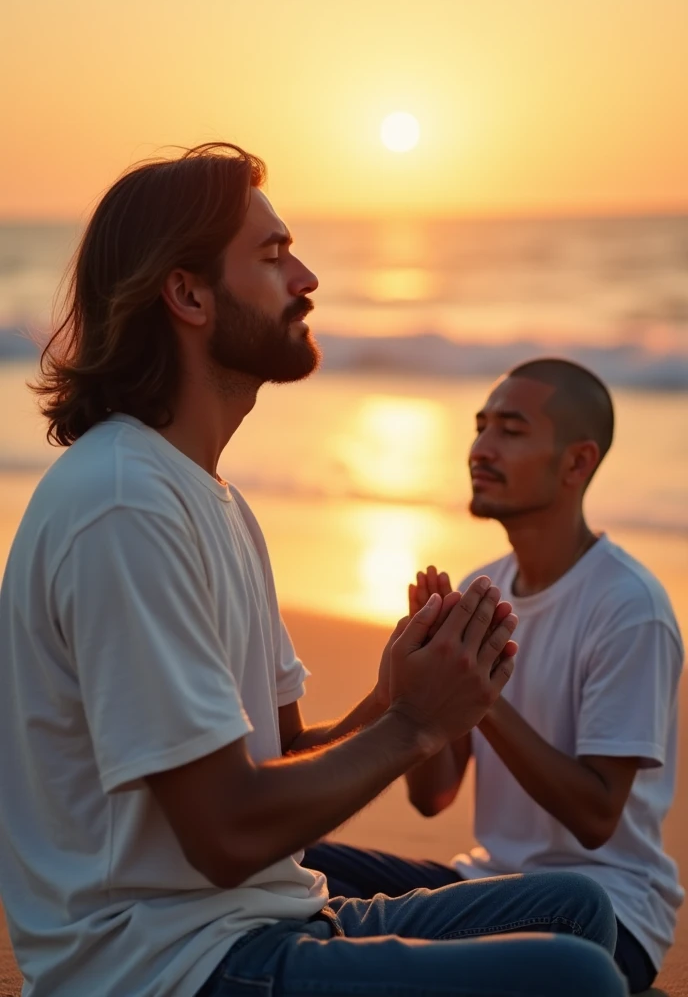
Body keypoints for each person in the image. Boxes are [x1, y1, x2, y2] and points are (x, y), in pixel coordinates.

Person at [0, 145, 628, 997]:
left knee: (579, 911)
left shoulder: (211, 497)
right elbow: (225, 832)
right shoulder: (125, 506)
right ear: (186, 294)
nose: (307, 276)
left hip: (266, 916)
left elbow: (285, 757)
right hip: (172, 966)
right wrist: (411, 727)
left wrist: (393, 700)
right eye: (272, 255)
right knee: (576, 977)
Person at [303, 358, 684, 993]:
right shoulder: (488, 585)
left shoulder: (629, 607)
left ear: (576, 462)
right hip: (484, 885)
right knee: (289, 861)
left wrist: (480, 695)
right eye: (480, 427)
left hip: (606, 915)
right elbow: (433, 798)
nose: (480, 449)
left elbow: (596, 816)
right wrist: (418, 696)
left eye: (510, 430)